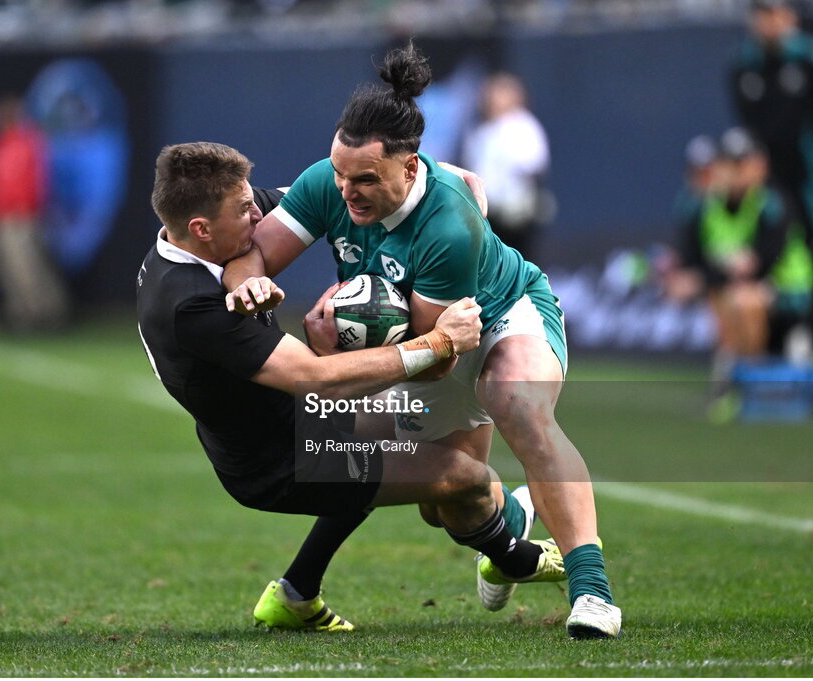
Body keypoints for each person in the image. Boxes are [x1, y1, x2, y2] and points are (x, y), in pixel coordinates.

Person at [222, 43, 621, 639]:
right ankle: (511, 530)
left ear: (410, 169)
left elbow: (438, 360)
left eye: (364, 179)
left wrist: (337, 351)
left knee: (516, 401)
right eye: (338, 174)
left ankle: (592, 593)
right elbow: (250, 252)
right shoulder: (328, 183)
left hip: (501, 318)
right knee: (449, 498)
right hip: (428, 343)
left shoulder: (447, 225)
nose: (346, 191)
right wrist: (250, 284)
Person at [136, 142, 564, 632]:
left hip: (294, 416)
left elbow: (318, 189)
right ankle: (515, 556)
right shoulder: (189, 306)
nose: (257, 213)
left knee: (421, 460)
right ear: (201, 229)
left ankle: (296, 594)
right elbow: (316, 378)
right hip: (279, 459)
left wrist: (432, 175)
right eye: (244, 210)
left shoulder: (204, 225)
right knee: (463, 477)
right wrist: (441, 341)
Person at [730, 0, 813, 408]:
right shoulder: (744, 65)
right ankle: (763, 364)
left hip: (804, 180)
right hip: (764, 187)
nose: (765, 22)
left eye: (773, 12)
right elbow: (745, 122)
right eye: (759, 13)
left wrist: (810, 148)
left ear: (789, 18)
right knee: (763, 263)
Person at [0, 95, 69, 331]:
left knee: (28, 268)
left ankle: (47, 314)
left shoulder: (27, 142)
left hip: (22, 216)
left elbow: (38, 180)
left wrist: (31, 207)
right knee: (10, 270)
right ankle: (22, 315)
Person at [462, 72, 552, 262]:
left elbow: (534, 165)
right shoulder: (480, 130)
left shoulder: (522, 126)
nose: (492, 98)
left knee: (518, 265)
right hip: (486, 214)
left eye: (500, 92)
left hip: (515, 216)